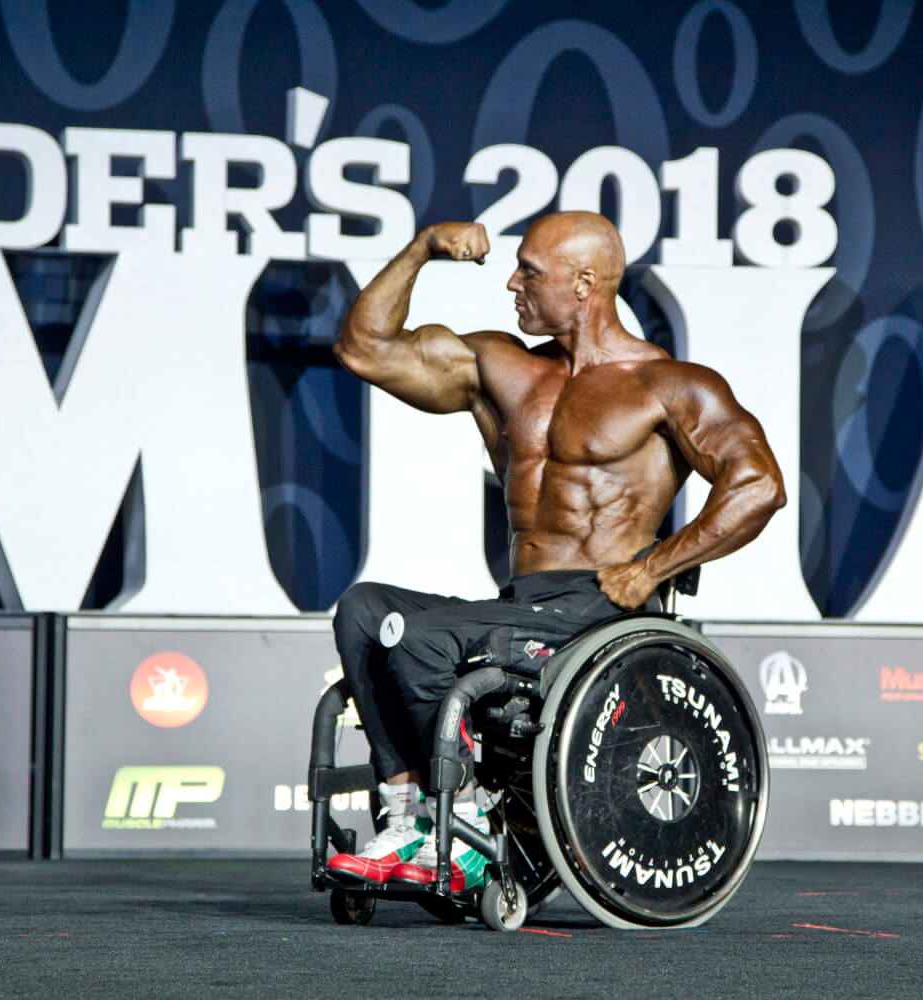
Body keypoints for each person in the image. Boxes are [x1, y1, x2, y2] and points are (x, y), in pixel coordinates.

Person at [327, 211, 786, 891]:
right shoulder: (503, 367)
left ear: (584, 284)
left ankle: (462, 828)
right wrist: (422, 249)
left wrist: (653, 568)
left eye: (530, 273)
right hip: (524, 605)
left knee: (423, 640)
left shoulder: (667, 385)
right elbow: (364, 349)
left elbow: (759, 486)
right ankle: (410, 816)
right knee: (364, 611)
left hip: (598, 610)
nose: (512, 283)